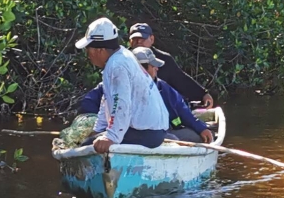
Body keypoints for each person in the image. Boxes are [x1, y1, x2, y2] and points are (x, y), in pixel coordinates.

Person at [81, 47, 214, 144]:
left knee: (178, 139)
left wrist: (201, 128)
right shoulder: (114, 82)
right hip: (126, 134)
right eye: (153, 66)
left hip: (159, 133)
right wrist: (99, 127)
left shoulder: (162, 86)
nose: (157, 69)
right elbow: (91, 103)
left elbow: (182, 110)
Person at [75, 17, 169, 153]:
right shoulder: (121, 56)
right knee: (91, 139)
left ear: (100, 50)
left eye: (88, 49)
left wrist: (111, 137)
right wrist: (97, 130)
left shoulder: (117, 66)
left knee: (87, 146)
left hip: (148, 133)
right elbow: (107, 100)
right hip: (153, 130)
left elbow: (121, 104)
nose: (88, 55)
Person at [128, 23, 214, 109]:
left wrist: (203, 94)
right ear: (129, 41)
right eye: (135, 39)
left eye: (142, 38)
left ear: (152, 39)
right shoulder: (122, 60)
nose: (139, 42)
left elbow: (180, 79)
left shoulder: (164, 59)